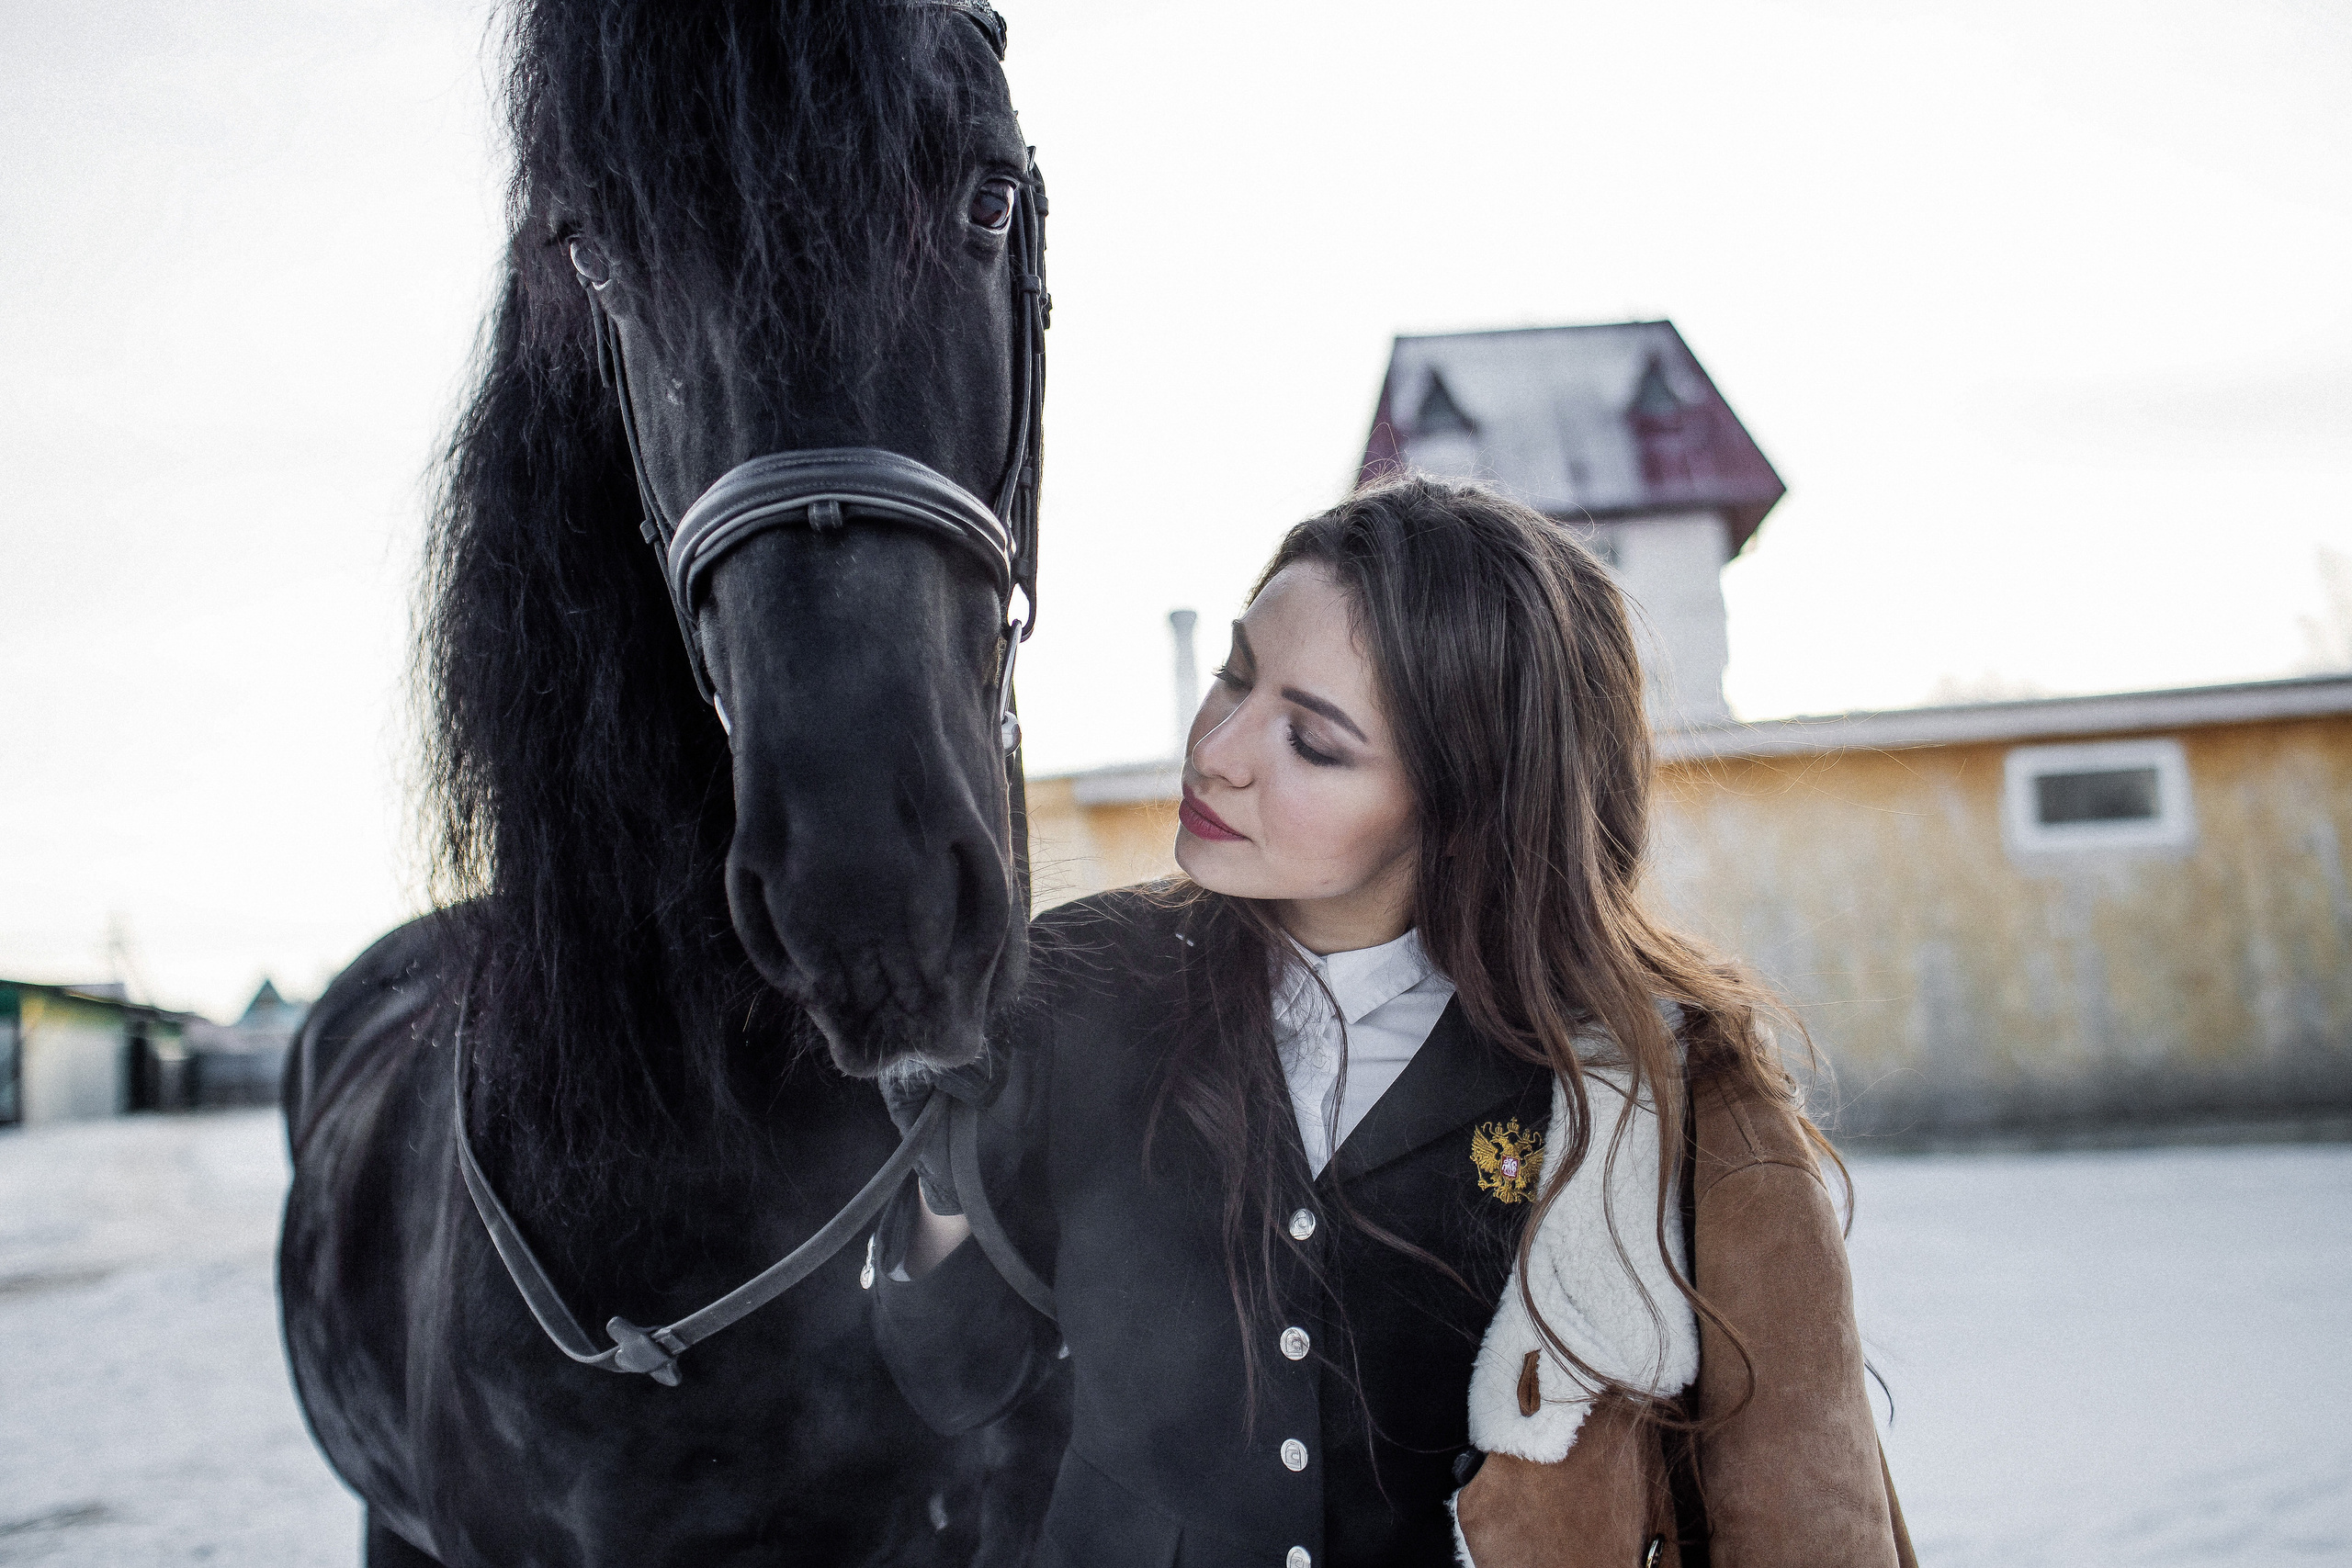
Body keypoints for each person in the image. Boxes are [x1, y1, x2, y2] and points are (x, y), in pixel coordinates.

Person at [869, 476, 1915, 1567]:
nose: (1218, 749)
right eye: (1235, 675)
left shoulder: (1639, 1079)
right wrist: (944, 1182)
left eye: (1312, 743)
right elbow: (950, 1384)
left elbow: (1799, 1503)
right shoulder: (1073, 979)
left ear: (1465, 805)